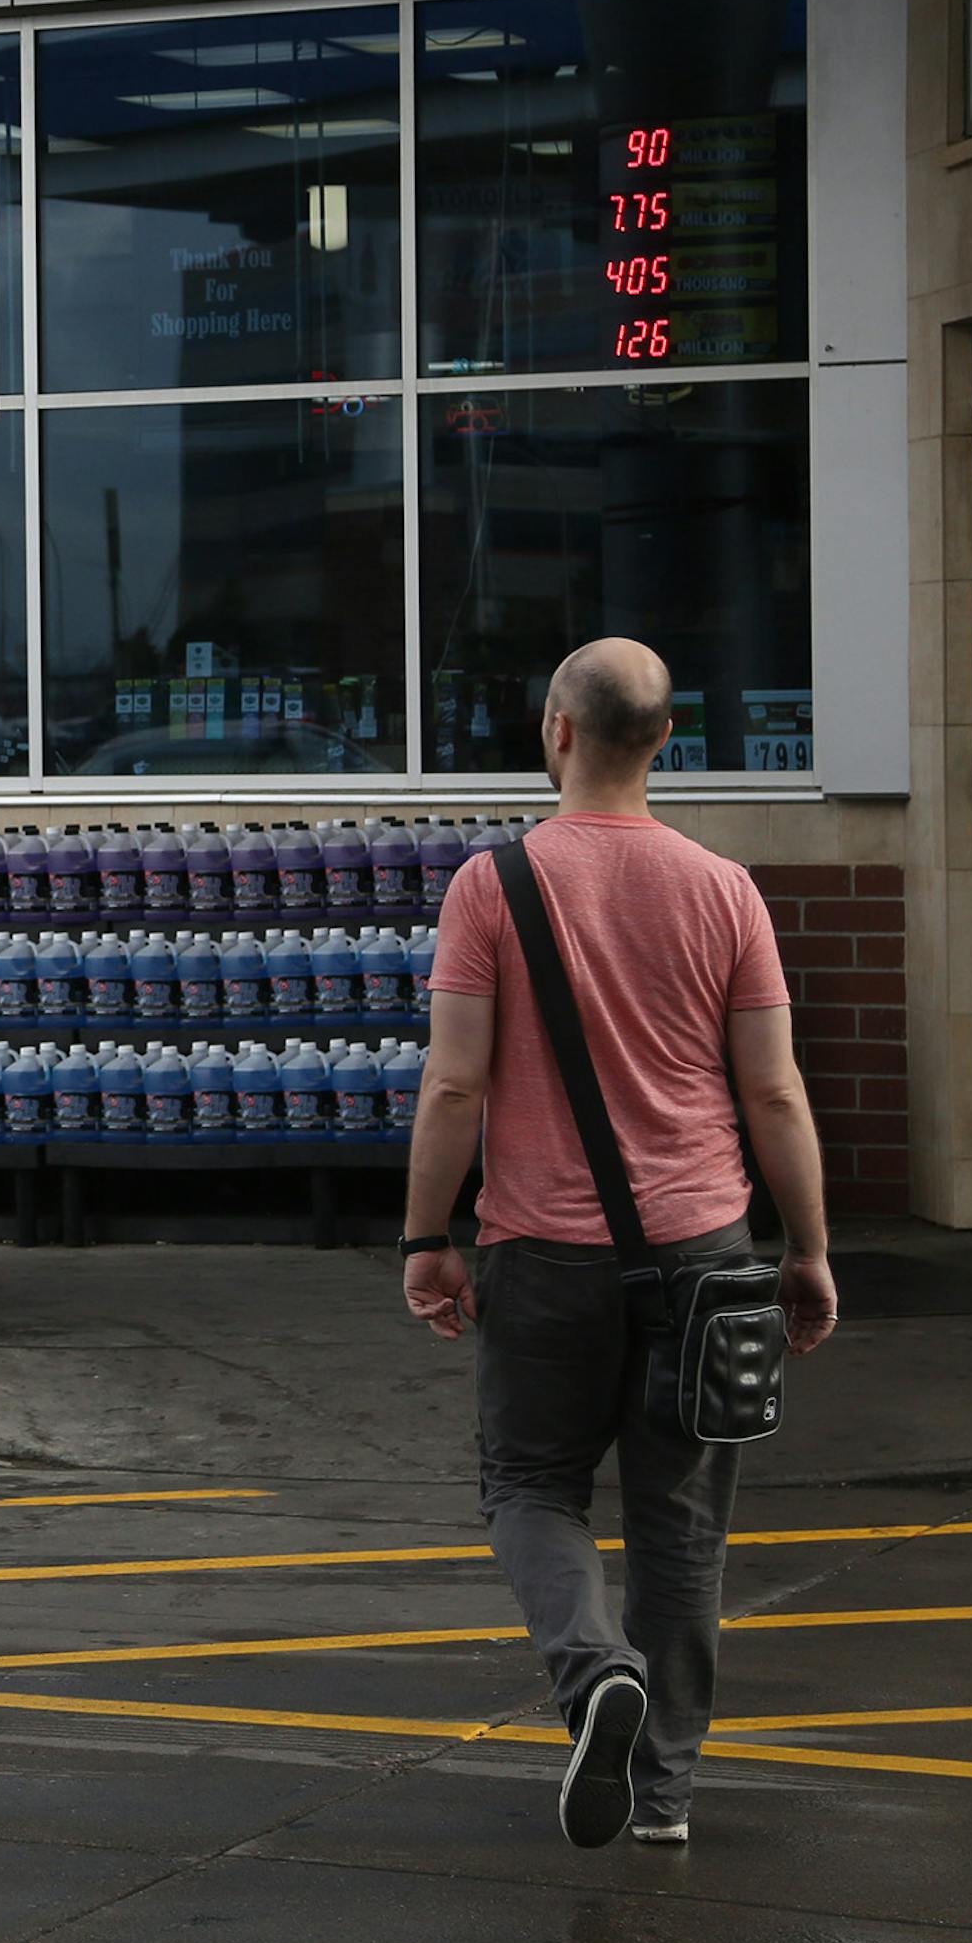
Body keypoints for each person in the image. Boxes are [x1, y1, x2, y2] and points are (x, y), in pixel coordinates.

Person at [400, 637, 838, 1851]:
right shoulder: (724, 889)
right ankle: (664, 1798)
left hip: (539, 1252)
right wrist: (806, 1249)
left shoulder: (492, 886)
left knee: (532, 1485)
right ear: (663, 743)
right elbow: (777, 1093)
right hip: (705, 1252)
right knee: (680, 1528)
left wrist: (426, 1237)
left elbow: (453, 1084)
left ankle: (593, 1674)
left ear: (557, 730)